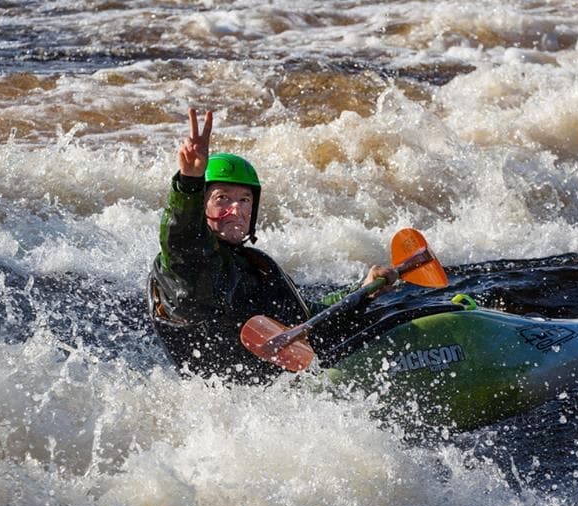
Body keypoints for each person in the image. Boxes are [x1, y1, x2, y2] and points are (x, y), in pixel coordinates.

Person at [147, 108, 396, 381]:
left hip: (282, 385)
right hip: (240, 399)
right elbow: (183, 238)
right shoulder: (186, 266)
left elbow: (305, 316)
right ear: (201, 205)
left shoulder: (251, 264)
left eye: (244, 201)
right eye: (222, 199)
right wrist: (190, 181)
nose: (236, 210)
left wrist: (360, 291)